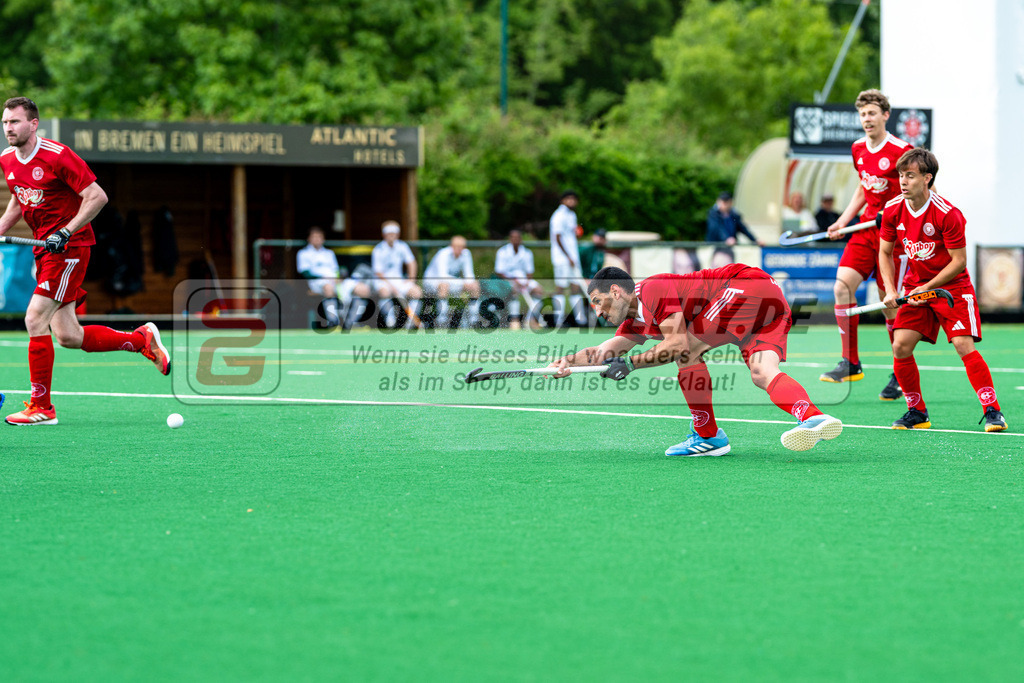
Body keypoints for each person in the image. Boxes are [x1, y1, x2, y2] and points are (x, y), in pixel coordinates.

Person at [548, 265, 843, 456]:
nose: (598, 312)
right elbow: (602, 352)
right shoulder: (634, 322)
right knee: (763, 372)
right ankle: (812, 416)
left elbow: (676, 344)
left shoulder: (651, 290)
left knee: (686, 351)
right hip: (771, 304)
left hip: (744, 287)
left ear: (615, 291)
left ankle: (708, 434)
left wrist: (631, 364)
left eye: (598, 302)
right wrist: (567, 363)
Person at [0, 96, 169, 425]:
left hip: (70, 248)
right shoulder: (7, 160)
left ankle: (42, 408)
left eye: (15, 122)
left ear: (33, 124)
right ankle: (140, 341)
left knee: (35, 318)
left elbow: (97, 196)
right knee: (68, 336)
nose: (9, 128)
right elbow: (19, 202)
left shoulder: (57, 155)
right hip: (43, 250)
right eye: (5, 122)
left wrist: (66, 231)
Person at [878, 148, 1007, 432]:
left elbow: (958, 262)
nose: (903, 181)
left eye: (910, 176)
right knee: (900, 345)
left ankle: (992, 410)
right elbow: (884, 252)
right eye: (901, 175)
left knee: (963, 345)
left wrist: (927, 287)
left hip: (953, 287)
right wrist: (890, 289)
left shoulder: (948, 214)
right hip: (916, 287)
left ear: (927, 178)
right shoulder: (892, 210)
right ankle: (917, 411)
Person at [823, 89, 912, 401]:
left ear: (885, 115)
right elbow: (863, 187)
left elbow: (917, 190)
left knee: (890, 305)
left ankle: (901, 372)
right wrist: (844, 221)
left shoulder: (903, 150)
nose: (867, 119)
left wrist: (892, 212)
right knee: (842, 287)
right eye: (862, 114)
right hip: (864, 230)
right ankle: (851, 361)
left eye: (872, 113)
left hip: (893, 236)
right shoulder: (858, 148)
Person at [297, 226, 371, 328]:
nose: (317, 239)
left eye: (319, 237)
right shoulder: (303, 253)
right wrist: (324, 277)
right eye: (314, 237)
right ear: (309, 239)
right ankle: (333, 323)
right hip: (316, 283)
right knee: (328, 287)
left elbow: (336, 270)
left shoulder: (329, 253)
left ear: (323, 239)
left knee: (363, 289)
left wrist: (338, 278)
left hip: (335, 281)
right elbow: (305, 273)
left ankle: (352, 322)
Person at [371, 220, 422, 326]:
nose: (391, 236)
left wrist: (411, 280)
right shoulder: (378, 249)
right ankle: (390, 321)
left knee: (416, 292)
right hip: (382, 281)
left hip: (398, 280)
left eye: (393, 234)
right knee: (385, 292)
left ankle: (410, 323)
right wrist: (391, 286)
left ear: (397, 234)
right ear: (384, 235)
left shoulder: (402, 246)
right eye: (389, 234)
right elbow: (378, 272)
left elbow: (412, 263)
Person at [423, 235, 480, 327]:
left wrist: (470, 283)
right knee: (444, 286)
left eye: (461, 247)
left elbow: (469, 274)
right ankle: (442, 322)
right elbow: (442, 276)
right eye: (456, 247)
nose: (459, 249)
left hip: (451, 282)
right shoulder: (443, 253)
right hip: (431, 282)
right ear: (451, 246)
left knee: (475, 286)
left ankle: (474, 321)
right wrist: (463, 283)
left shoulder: (466, 253)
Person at [549, 190, 587, 326]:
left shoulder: (572, 215)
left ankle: (580, 320)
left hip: (573, 258)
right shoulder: (558, 215)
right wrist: (568, 256)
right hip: (562, 259)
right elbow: (557, 238)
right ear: (562, 200)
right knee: (560, 287)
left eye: (573, 199)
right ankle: (558, 320)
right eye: (568, 198)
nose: (571, 201)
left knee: (575, 287)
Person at [494, 228, 545, 329]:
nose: (515, 240)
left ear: (521, 239)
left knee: (539, 290)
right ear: (510, 239)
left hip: (524, 280)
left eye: (517, 238)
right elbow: (499, 272)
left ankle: (530, 320)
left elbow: (530, 272)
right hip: (507, 281)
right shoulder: (502, 252)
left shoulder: (527, 253)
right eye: (513, 238)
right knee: (514, 291)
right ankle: (514, 320)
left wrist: (526, 283)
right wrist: (514, 280)